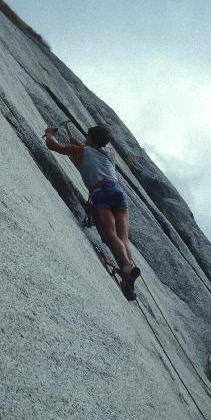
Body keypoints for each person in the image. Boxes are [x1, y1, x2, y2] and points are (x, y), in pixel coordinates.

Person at [44, 124, 140, 299]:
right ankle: (129, 275)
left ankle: (126, 268)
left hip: (100, 192)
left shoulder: (82, 150)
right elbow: (91, 154)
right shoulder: (110, 153)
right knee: (123, 237)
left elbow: (54, 146)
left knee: (111, 234)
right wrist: (81, 146)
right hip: (117, 191)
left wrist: (49, 133)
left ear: (89, 138)